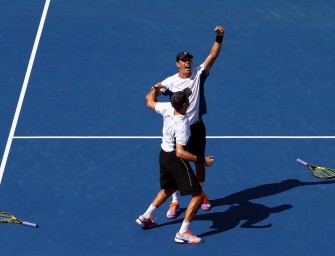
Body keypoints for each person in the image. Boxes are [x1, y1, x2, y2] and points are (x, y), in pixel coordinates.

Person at [153, 25, 224, 217]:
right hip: (179, 129)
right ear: (177, 63)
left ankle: (201, 194)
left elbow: (212, 56)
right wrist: (156, 88)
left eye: (189, 60)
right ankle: (174, 201)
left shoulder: (198, 74)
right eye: (184, 60)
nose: (188, 63)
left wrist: (219, 37)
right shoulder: (170, 81)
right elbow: (153, 95)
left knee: (199, 162)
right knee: (176, 165)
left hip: (197, 127)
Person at [135, 86, 214, 244]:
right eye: (187, 99)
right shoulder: (182, 124)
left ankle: (145, 217)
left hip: (163, 155)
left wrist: (154, 88)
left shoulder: (166, 107)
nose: (190, 100)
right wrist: (202, 160)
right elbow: (180, 153)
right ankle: (182, 233)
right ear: (184, 104)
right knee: (198, 195)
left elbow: (149, 102)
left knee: (168, 189)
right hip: (175, 159)